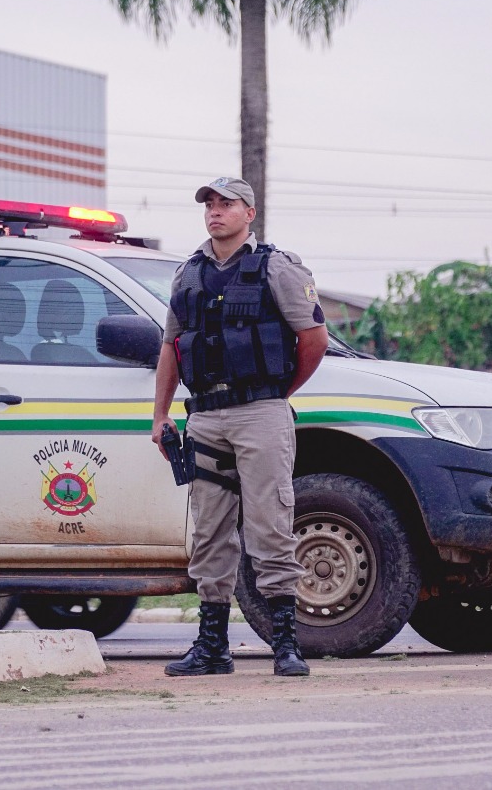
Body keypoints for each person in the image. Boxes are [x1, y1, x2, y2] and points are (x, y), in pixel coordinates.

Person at [152, 176, 329, 678]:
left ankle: (285, 645)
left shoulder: (278, 268)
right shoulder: (187, 273)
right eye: (209, 203)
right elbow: (171, 346)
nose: (215, 211)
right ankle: (212, 648)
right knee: (208, 531)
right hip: (205, 414)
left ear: (249, 212)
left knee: (270, 524)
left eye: (226, 203)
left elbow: (314, 338)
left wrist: (278, 395)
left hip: (261, 411)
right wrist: (160, 414)